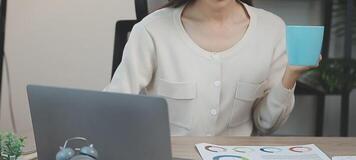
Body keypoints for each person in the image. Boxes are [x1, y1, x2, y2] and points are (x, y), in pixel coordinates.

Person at [105, 0, 319, 136]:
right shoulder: (151, 30)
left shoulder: (272, 30)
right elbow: (112, 107)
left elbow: (266, 124)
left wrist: (290, 75)